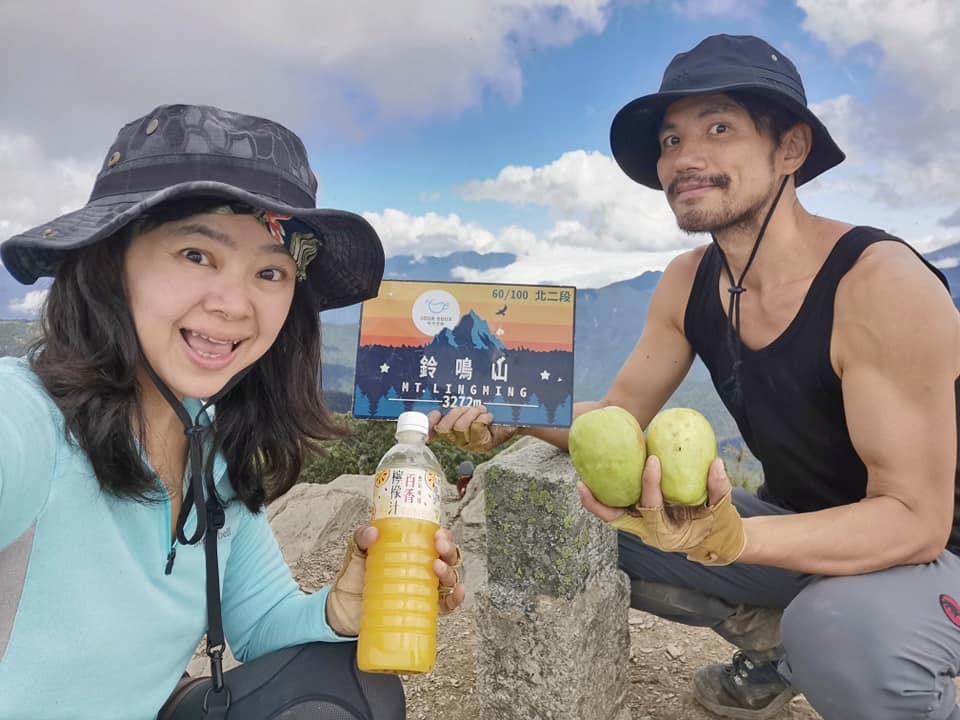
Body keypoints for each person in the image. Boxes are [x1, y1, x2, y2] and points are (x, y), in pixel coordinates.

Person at [429, 34, 960, 720]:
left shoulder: (880, 283)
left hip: (932, 555)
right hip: (805, 529)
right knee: (593, 514)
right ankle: (777, 649)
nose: (685, 159)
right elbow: (616, 422)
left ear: (791, 149)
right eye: (672, 141)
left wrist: (733, 539)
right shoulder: (688, 283)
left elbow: (917, 521)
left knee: (840, 633)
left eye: (718, 128)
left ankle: (836, 643)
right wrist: (514, 414)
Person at [0, 104, 465, 720]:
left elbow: (260, 621)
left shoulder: (213, 449)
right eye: (196, 254)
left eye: (270, 272)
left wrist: (342, 607)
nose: (235, 305)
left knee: (353, 688)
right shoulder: (29, 422)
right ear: (110, 263)